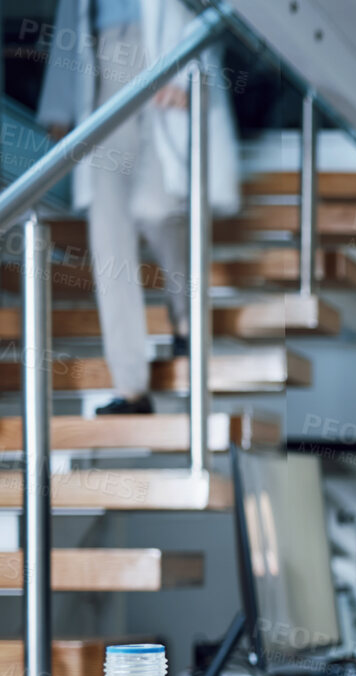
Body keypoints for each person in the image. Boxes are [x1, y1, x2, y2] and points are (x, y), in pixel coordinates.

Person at [37, 0, 240, 415]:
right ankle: (131, 389)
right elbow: (69, 15)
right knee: (108, 235)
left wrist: (192, 72)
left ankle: (185, 318)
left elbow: (211, 10)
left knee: (156, 207)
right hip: (101, 64)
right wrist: (58, 105)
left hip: (163, 54)